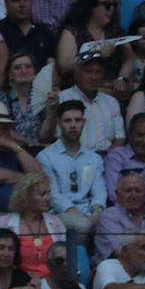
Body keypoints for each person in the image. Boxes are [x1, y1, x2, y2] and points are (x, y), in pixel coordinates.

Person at [39, 101, 105, 238]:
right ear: (59, 123)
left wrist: (97, 212)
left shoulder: (94, 158)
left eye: (78, 120)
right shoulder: (45, 156)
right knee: (82, 225)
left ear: (84, 122)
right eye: (67, 121)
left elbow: (99, 192)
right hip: (59, 214)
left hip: (90, 212)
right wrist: (81, 215)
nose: (73, 125)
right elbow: (54, 196)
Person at [0, 172, 64, 285]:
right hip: (20, 283)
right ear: (26, 197)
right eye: (42, 194)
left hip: (55, 284)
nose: (48, 198)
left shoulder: (56, 222)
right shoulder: (5, 223)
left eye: (49, 193)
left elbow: (66, 259)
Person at [54, 0, 133, 86]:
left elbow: (129, 58)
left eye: (114, 5)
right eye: (107, 5)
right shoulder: (73, 31)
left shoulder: (115, 31)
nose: (112, 9)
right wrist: (95, 54)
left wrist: (122, 78)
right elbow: (64, 66)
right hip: (79, 91)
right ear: (92, 6)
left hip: (111, 92)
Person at [95, 172, 145, 262]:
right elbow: (121, 252)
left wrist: (136, 245)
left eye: (138, 190)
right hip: (116, 268)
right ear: (118, 194)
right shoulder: (108, 216)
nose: (133, 195)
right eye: (128, 190)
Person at [57, 54, 125, 154]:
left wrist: (109, 161)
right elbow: (57, 137)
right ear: (76, 74)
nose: (93, 77)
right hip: (73, 158)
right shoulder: (62, 98)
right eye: (88, 71)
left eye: (98, 72)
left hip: (107, 159)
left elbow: (120, 138)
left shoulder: (111, 102)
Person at [0, 50, 54, 149]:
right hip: (10, 152)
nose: (24, 71)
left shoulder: (44, 97)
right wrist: (30, 143)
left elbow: (44, 137)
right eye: (17, 68)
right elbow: (2, 130)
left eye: (28, 67)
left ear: (34, 71)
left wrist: (52, 111)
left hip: (38, 152)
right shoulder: (2, 98)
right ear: (10, 74)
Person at [0, 0, 58, 69]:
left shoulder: (45, 34)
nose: (22, 4)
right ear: (6, 3)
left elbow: (50, 69)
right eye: (15, 0)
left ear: (32, 1)